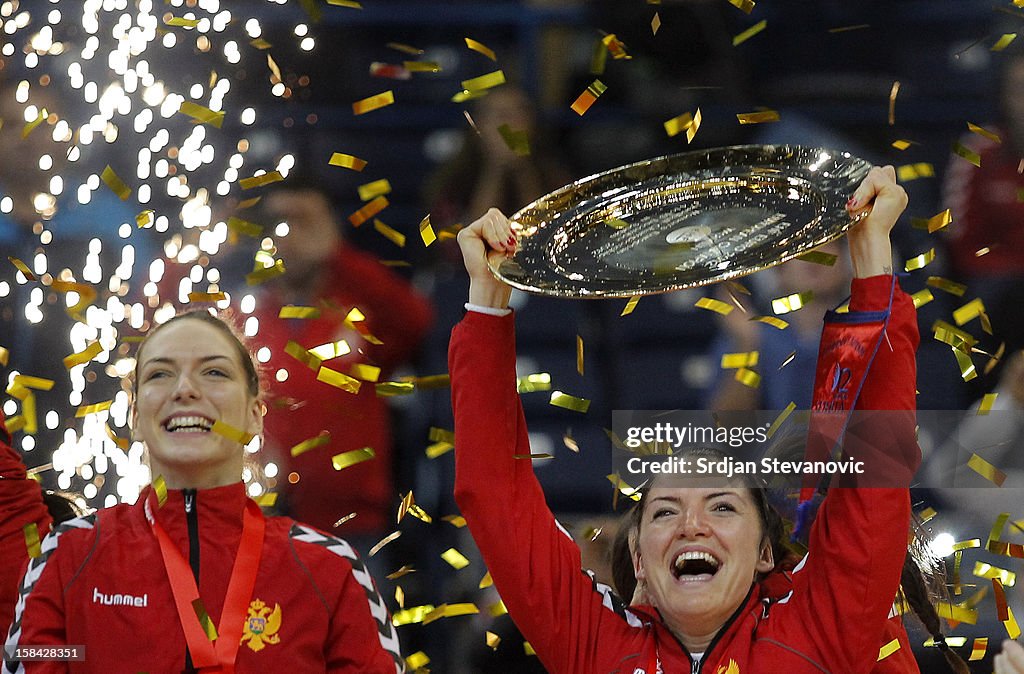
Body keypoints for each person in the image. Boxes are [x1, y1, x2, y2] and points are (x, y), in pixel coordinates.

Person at [449, 166, 931, 672]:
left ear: (766, 552)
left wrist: (873, 257)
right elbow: (494, 490)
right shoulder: (593, 644)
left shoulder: (821, 625)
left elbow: (878, 460)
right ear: (638, 559)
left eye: (721, 507)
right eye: (663, 512)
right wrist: (486, 301)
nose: (691, 526)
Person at [4, 310, 404, 673]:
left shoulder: (328, 568)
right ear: (137, 418)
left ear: (253, 416)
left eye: (214, 372)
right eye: (160, 374)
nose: (185, 389)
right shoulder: (69, 555)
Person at [250, 176, 434, 536]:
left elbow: (418, 320)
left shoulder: (359, 310)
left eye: (306, 221)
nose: (292, 235)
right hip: (262, 521)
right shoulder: (244, 317)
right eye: (281, 223)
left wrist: (338, 255)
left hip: (353, 523)